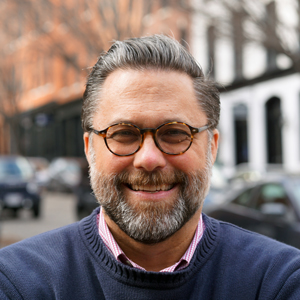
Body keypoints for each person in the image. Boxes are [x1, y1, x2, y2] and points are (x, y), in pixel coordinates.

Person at [0, 35, 299, 300]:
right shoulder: (17, 283)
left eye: (175, 133)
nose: (149, 159)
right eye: (123, 134)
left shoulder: (280, 282)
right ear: (89, 148)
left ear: (212, 147)